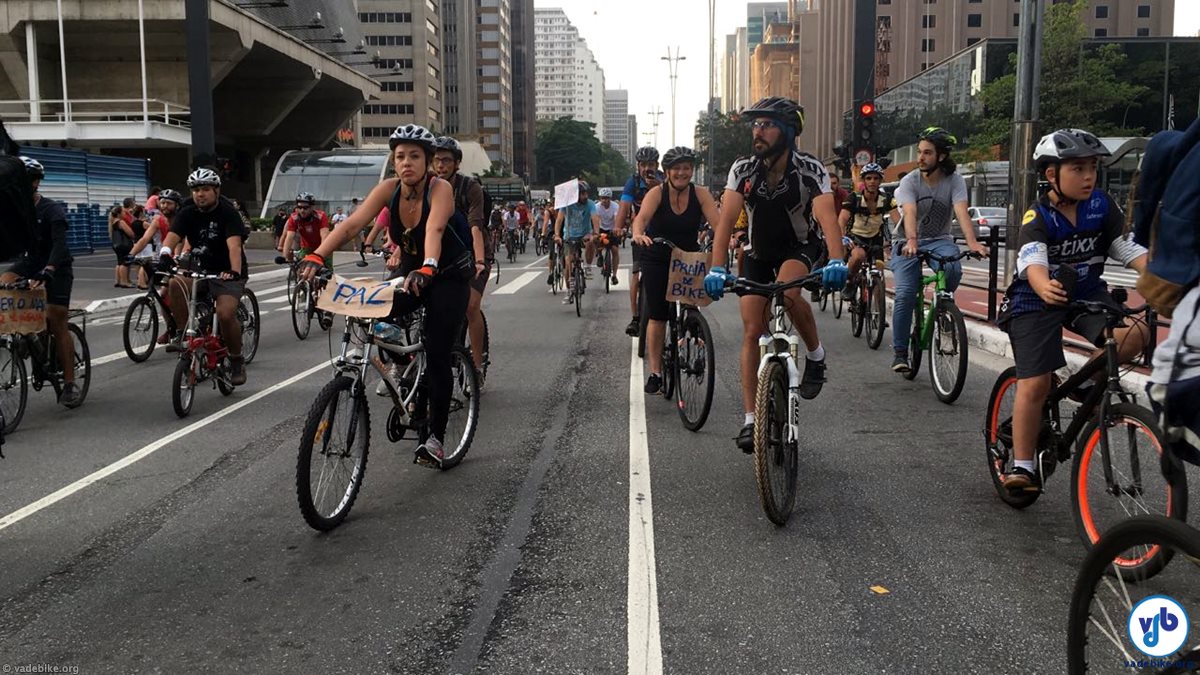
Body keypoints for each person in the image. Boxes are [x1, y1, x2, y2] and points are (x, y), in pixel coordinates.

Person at [299, 124, 473, 468]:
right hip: (411, 272)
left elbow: (436, 227)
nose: (406, 163)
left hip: (447, 274)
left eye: (415, 156)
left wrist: (429, 266)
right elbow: (352, 225)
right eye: (400, 156)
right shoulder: (388, 189)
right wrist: (318, 255)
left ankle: (436, 439)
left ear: (427, 161)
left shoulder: (440, 189)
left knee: (438, 353)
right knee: (372, 314)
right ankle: (405, 365)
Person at [996, 129, 1148, 493]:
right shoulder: (1038, 215)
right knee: (1036, 381)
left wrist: (1160, 277)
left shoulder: (1102, 205)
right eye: (1078, 169)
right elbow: (1032, 261)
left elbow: (1126, 248)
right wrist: (1042, 284)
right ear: (1052, 174)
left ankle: (1083, 386)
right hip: (1035, 299)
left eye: (1092, 167)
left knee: (1135, 335)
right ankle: (1022, 464)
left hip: (1086, 293)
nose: (1089, 176)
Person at [702, 97, 848, 452]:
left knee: (787, 292)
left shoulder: (810, 168)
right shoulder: (743, 169)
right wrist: (717, 267)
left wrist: (837, 260)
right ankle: (751, 420)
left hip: (799, 248)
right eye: (756, 125)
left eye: (767, 125)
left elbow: (827, 218)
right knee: (753, 330)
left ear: (789, 131)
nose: (758, 131)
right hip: (758, 253)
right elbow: (725, 222)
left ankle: (816, 355)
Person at [889, 127, 989, 373]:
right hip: (907, 242)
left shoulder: (954, 180)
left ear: (941, 156)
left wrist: (973, 243)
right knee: (905, 293)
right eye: (919, 152)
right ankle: (900, 352)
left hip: (939, 239)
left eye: (927, 153)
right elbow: (909, 211)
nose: (920, 158)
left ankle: (942, 308)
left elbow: (961, 211)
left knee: (953, 268)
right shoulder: (910, 181)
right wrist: (912, 240)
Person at [631, 147, 720, 393]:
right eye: (677, 168)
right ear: (667, 172)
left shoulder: (700, 194)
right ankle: (656, 373)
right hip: (657, 255)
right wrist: (638, 234)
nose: (682, 173)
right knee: (658, 314)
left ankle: (693, 337)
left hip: (688, 257)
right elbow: (641, 219)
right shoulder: (656, 193)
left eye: (687, 168)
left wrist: (729, 238)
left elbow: (718, 223)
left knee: (692, 307)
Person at [1, 157, 82, 408]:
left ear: (35, 182)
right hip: (30, 262)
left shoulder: (50, 209)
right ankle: (30, 337)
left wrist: (49, 269)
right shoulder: (12, 211)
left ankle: (70, 383)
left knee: (56, 318)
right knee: (4, 283)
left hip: (57, 265)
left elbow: (60, 244)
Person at [158, 168, 249, 386]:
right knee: (175, 283)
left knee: (225, 314)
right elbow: (172, 236)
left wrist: (234, 271)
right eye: (196, 190)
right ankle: (183, 334)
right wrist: (165, 253)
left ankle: (236, 359)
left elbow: (234, 246)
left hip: (227, 271)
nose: (200, 194)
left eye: (206, 189)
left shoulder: (228, 212)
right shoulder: (187, 212)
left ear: (216, 191)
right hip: (201, 268)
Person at [432, 135, 490, 382]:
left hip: (472, 253)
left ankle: (476, 366)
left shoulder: (470, 188)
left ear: (457, 163)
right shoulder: (427, 187)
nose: (441, 165)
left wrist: (479, 262)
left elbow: (475, 227)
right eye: (437, 160)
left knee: (471, 306)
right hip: (440, 254)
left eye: (446, 160)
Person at [619, 146, 664, 335]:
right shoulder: (633, 183)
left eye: (651, 165)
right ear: (638, 166)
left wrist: (656, 187)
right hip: (641, 233)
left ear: (657, 165)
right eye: (643, 165)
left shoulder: (664, 180)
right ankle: (635, 318)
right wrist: (618, 227)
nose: (647, 169)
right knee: (636, 275)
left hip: (662, 233)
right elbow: (624, 206)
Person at [839, 162, 898, 286]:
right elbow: (842, 219)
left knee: (880, 269)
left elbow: (897, 220)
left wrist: (906, 237)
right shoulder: (854, 198)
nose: (872, 181)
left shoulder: (887, 198)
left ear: (880, 181)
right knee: (858, 256)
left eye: (876, 178)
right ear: (863, 180)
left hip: (876, 238)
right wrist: (842, 237)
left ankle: (878, 293)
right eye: (868, 178)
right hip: (856, 236)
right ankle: (849, 282)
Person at [554, 181, 600, 304]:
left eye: (586, 193)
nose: (585, 196)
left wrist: (595, 233)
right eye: (582, 194)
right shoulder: (566, 204)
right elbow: (559, 220)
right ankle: (569, 291)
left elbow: (595, 218)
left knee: (590, 241)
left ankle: (588, 266)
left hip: (585, 234)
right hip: (569, 236)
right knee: (569, 262)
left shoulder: (590, 204)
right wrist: (557, 235)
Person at [282, 192, 330, 271]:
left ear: (312, 207)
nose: (302, 210)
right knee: (301, 269)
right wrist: (285, 256)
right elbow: (289, 237)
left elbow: (324, 236)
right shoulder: (294, 218)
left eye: (305, 208)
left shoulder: (321, 216)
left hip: (323, 246)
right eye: (299, 207)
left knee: (327, 272)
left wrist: (320, 255)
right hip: (306, 247)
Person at [595, 186, 621, 285]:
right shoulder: (597, 207)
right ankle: (599, 255)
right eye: (602, 198)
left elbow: (616, 218)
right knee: (597, 241)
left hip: (612, 228)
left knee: (615, 250)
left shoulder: (615, 206)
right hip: (601, 228)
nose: (604, 200)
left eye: (606, 198)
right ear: (600, 198)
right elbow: (597, 219)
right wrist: (597, 232)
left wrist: (616, 229)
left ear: (610, 198)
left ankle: (614, 275)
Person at [108, 204, 136, 288]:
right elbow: (130, 233)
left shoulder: (113, 222)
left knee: (119, 262)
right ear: (119, 214)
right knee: (125, 263)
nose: (125, 214)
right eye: (123, 212)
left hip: (117, 244)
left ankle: (119, 280)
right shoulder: (121, 222)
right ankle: (124, 281)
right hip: (124, 244)